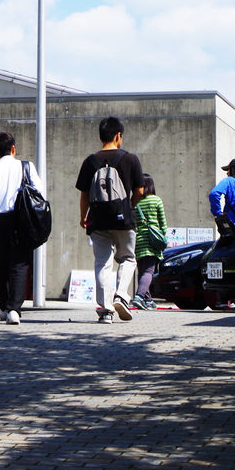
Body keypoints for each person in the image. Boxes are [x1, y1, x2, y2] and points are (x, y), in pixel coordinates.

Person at [76, 116, 144, 324]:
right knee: (128, 258)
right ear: (118, 136)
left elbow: (84, 194)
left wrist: (83, 216)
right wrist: (129, 206)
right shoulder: (131, 159)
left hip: (98, 220)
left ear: (100, 136)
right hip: (123, 219)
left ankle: (106, 311)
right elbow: (140, 191)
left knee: (102, 263)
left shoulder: (90, 161)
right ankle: (121, 296)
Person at [0, 130, 40, 325]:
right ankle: (14, 310)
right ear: (13, 148)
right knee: (20, 264)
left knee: (1, 264)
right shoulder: (26, 167)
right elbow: (39, 192)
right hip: (20, 220)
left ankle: (3, 307)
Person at [134, 174, 167, 310]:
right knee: (148, 271)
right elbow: (163, 225)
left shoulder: (135, 201)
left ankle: (147, 300)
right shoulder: (156, 200)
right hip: (151, 241)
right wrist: (162, 236)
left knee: (142, 271)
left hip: (138, 239)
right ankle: (139, 296)